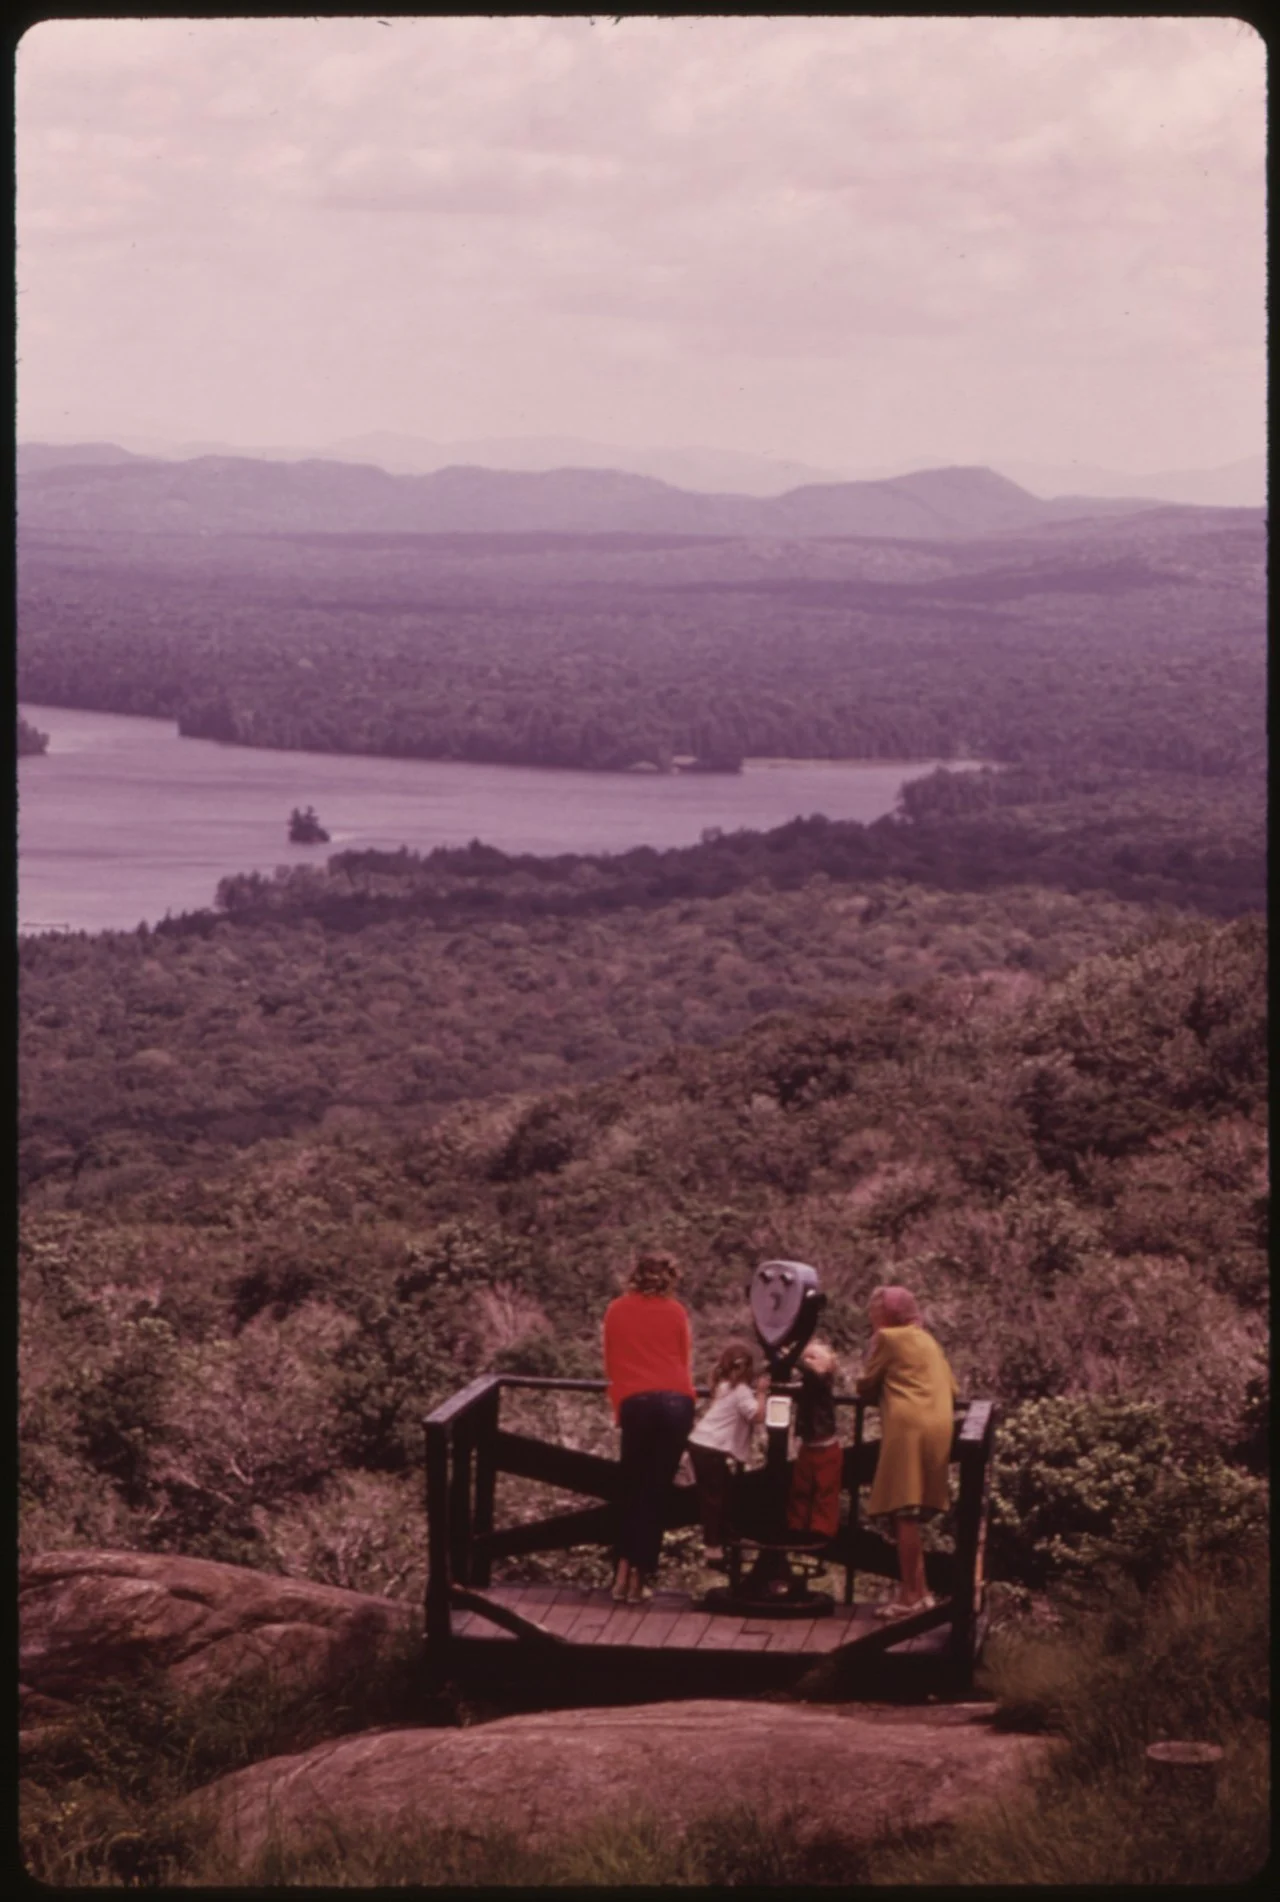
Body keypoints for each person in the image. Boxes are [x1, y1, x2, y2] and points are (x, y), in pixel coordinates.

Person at [601, 1250, 697, 1603]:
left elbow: (612, 1363)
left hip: (637, 1402)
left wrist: (620, 1410)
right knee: (655, 1493)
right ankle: (639, 1579)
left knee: (632, 1490)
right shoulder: (676, 1312)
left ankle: (622, 1575)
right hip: (675, 1402)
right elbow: (684, 1362)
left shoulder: (616, 1309)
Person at [856, 1284, 956, 1617]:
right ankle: (922, 1592)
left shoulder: (888, 1340)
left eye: (874, 1311)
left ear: (885, 1314)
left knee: (903, 1514)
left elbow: (867, 1385)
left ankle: (909, 1597)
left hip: (907, 1429)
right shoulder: (927, 1340)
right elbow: (952, 1387)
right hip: (939, 1426)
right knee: (909, 1513)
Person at [687, 1340, 769, 1563]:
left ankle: (724, 1534)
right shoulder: (742, 1392)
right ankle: (713, 1545)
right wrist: (762, 1393)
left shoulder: (724, 1386)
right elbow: (757, 1416)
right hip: (711, 1448)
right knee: (715, 1497)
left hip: (699, 1443)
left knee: (720, 1491)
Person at [786, 1339, 843, 1544]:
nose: (807, 1361)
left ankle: (822, 1530)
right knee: (801, 1487)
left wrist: (793, 1357)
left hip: (826, 1447)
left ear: (828, 1365)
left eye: (813, 1357)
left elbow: (813, 1378)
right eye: (805, 1357)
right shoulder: (806, 1384)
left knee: (825, 1490)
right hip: (808, 1446)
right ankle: (797, 1525)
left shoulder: (823, 1382)